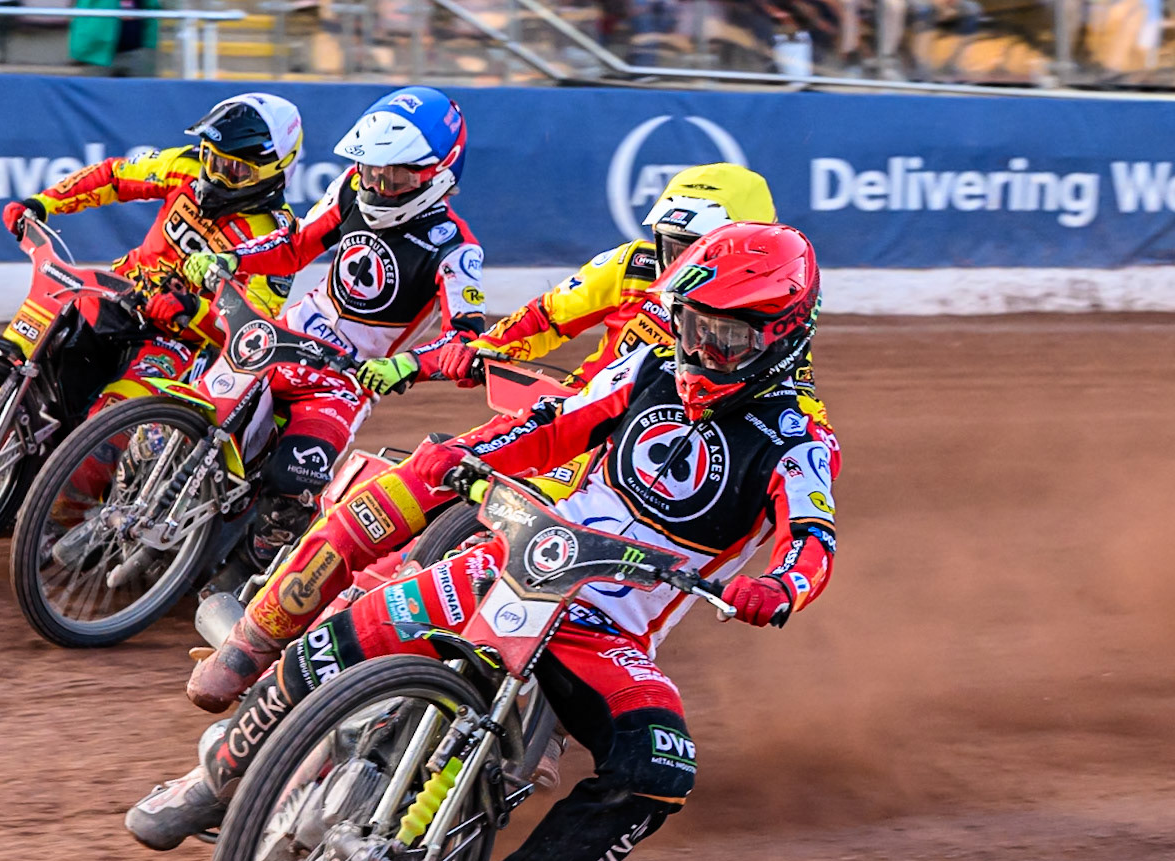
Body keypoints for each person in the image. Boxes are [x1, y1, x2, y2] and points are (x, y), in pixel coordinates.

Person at [128, 223, 841, 861]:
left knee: (659, 768)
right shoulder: (646, 367)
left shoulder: (799, 438)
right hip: (518, 563)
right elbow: (552, 425)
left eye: (727, 335)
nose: (703, 349)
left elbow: (811, 540)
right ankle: (215, 773)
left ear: (781, 335)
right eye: (693, 325)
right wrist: (476, 452)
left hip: (608, 634)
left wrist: (777, 588)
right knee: (341, 633)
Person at [184, 162, 780, 713]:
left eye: (695, 248)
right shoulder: (627, 266)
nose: (677, 262)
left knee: (603, 600)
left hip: (624, 488)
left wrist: (775, 582)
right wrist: (433, 360)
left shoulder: (769, 350)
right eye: (670, 244)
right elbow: (537, 322)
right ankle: (265, 650)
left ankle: (532, 726)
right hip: (556, 431)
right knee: (396, 511)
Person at [0, 92, 303, 525]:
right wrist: (43, 203)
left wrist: (193, 309)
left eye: (234, 168)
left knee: (106, 427)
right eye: (211, 157)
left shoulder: (277, 237)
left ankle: (55, 522)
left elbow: (251, 332)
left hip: (177, 343)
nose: (215, 172)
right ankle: (11, 479)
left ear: (274, 170)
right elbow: (114, 177)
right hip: (117, 296)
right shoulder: (184, 166)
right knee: (36, 368)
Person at [173, 85, 487, 569]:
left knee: (293, 482)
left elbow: (465, 340)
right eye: (371, 168)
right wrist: (232, 257)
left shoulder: (457, 250)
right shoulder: (349, 188)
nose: (377, 184)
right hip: (285, 337)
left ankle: (255, 579)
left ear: (439, 176)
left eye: (395, 175)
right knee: (187, 412)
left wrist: (408, 365)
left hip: (346, 380)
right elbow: (296, 245)